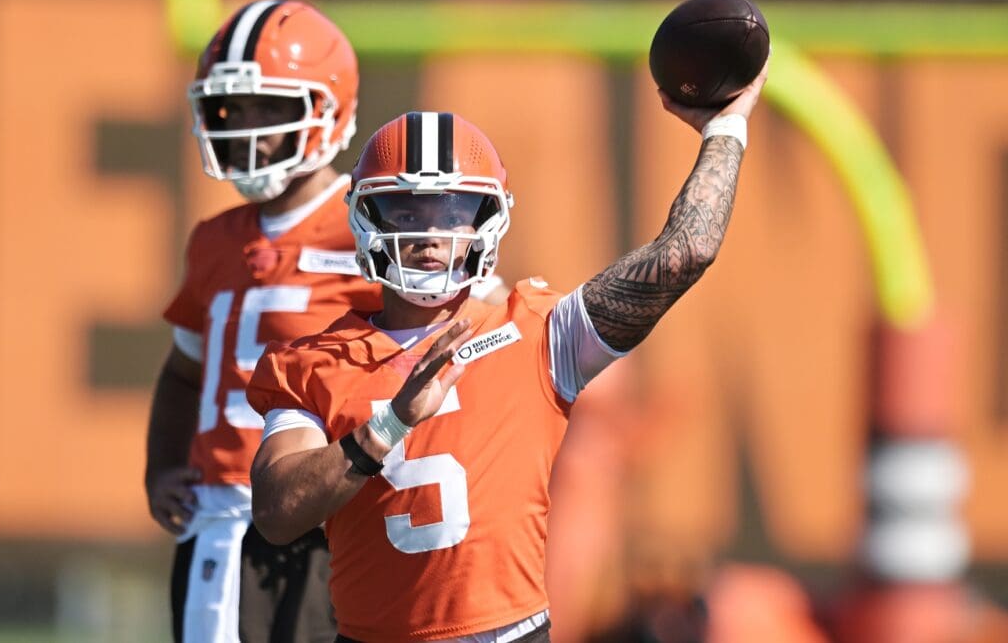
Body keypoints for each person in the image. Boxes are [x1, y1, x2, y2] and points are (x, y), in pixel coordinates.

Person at [246, 63, 768, 642]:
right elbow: (275, 514)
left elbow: (684, 252)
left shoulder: (539, 333)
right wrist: (388, 426)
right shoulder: (315, 362)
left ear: (488, 222)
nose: (430, 235)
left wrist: (726, 130)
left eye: (452, 213)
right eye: (407, 211)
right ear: (366, 217)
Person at [144, 0, 374, 643]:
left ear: (327, 109)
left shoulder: (373, 223)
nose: (248, 129)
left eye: (269, 107)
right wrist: (161, 467)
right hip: (223, 512)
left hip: (324, 508)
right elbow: (183, 373)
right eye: (233, 110)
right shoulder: (214, 239)